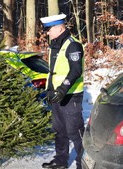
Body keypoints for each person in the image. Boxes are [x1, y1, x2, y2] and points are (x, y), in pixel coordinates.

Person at [40, 14, 85, 169]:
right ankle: (60, 161)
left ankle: (83, 164)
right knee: (59, 131)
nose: (47, 32)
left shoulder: (73, 45)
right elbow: (54, 71)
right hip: (56, 96)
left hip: (71, 96)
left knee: (75, 133)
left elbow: (76, 70)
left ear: (59, 28)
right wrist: (50, 90)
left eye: (49, 29)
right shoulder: (55, 44)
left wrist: (63, 88)